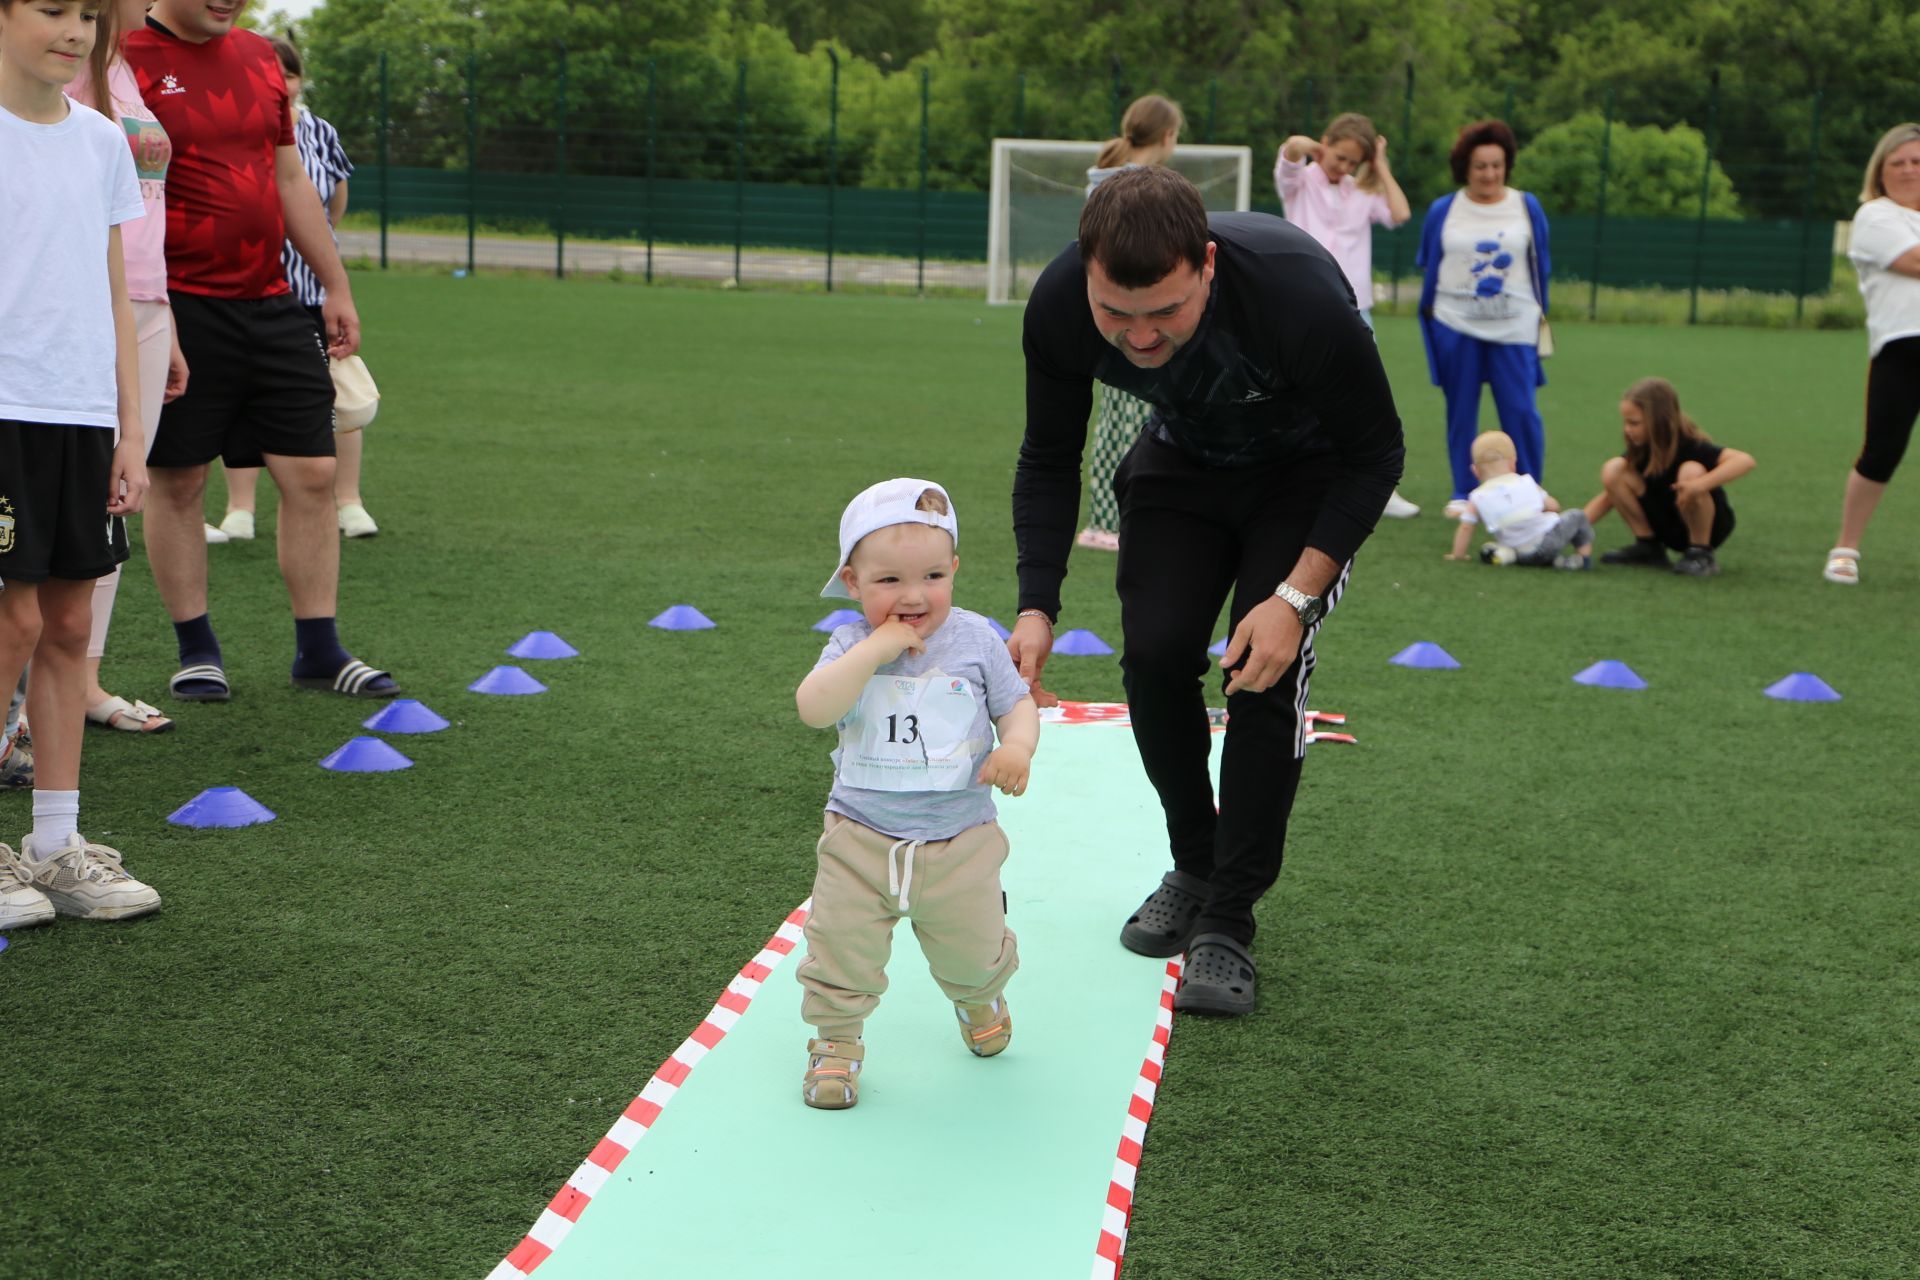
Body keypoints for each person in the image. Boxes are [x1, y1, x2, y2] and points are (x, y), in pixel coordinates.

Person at [1012, 167, 1404, 1016]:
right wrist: (1036, 605)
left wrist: (1294, 599)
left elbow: (1376, 456)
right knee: (1153, 657)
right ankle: (1194, 865)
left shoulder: (1295, 297)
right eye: (1117, 314)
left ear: (1210, 268)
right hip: (1182, 465)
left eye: (1167, 313)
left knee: (1257, 673)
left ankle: (1228, 918)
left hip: (1303, 478)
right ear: (1086, 274)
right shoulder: (1056, 307)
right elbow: (1048, 457)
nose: (1141, 339)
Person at [124, 0, 399, 702]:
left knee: (312, 470)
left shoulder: (258, 59)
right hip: (176, 303)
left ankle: (319, 650)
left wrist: (333, 284)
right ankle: (198, 650)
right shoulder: (119, 60)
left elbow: (289, 180)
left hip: (275, 298)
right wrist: (147, 312)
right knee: (180, 479)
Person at [793, 478, 1038, 1110]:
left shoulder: (978, 641)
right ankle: (836, 1044)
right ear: (852, 582)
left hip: (959, 841)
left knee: (972, 947)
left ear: (954, 567)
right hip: (859, 837)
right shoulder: (850, 645)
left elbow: (1017, 707)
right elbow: (814, 708)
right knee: (840, 949)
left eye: (932, 575)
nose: (913, 596)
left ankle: (978, 995)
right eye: (888, 582)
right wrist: (874, 650)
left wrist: (1016, 748)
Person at [0, 0, 164, 929]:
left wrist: (126, 429)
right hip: (2, 409)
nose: (74, 29)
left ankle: (55, 846)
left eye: (88, 14)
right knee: (11, 616)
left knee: (66, 619)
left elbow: (111, 284)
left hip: (78, 411)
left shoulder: (102, 140)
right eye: (51, 9)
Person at [65, 0, 186, 735]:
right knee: (48, 503)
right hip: (78, 305)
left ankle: (83, 680)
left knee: (116, 498)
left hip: (142, 304)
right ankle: (21, 690)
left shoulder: (122, 65)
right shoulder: (50, 54)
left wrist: (163, 318)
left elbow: (147, 207)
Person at [220, 35, 377, 542]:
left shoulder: (320, 133)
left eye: (288, 73)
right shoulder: (233, 126)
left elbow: (332, 206)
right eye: (270, 72)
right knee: (238, 399)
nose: (280, 83)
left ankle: (348, 501)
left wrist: (327, 274)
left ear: (299, 79)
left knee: (337, 397)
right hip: (245, 290)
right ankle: (239, 508)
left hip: (308, 294)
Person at [1276, 111, 1419, 519]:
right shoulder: (1300, 181)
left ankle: (1377, 481)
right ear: (1325, 144)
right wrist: (1315, 149)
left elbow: (1400, 213)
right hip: (1301, 301)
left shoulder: (1362, 191)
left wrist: (1380, 166)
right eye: (1339, 157)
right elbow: (1291, 151)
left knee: (1364, 395)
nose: (1343, 167)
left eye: (1353, 162)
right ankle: (1295, 476)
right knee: (1296, 390)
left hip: (1355, 306)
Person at [1416, 120, 1552, 516]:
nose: (1489, 173)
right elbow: (1429, 263)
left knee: (1521, 411)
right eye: (1480, 166)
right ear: (1465, 168)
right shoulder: (1444, 209)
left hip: (1515, 326)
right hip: (1455, 324)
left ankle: (1530, 491)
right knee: (1460, 411)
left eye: (1497, 165)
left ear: (1507, 165)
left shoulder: (1527, 206)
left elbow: (1541, 263)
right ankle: (1465, 493)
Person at [1076, 93, 1182, 553]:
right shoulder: (1135, 186)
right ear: (1168, 136)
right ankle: (1105, 522)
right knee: (1124, 423)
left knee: (1127, 420)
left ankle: (1123, 515)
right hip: (1129, 322)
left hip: (1112, 316)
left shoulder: (1106, 180)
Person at [1824, 123, 1920, 585]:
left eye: (1916, 162)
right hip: (1902, 348)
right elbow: (1914, 262)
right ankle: (1846, 547)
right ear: (1879, 174)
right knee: (1881, 451)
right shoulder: (1876, 216)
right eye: (1896, 163)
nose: (1907, 170)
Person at [1589, 377, 1754, 576]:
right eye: (1625, 422)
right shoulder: (1642, 450)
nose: (1627, 429)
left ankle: (1701, 553)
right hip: (1666, 524)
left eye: (1634, 423)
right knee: (1614, 468)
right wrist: (1572, 525)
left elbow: (1745, 460)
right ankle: (1648, 548)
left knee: (1691, 471)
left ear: (1658, 421)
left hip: (1711, 527)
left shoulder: (1690, 445)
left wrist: (1699, 486)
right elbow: (1611, 495)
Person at [1444, 431, 1591, 568]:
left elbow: (1466, 527)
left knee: (1508, 542)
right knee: (1578, 516)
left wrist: (1458, 555)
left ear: (1475, 470)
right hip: (1546, 543)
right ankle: (1583, 559)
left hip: (1518, 551)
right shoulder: (1525, 482)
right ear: (1512, 464)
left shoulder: (1477, 497)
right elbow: (1553, 506)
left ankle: (1513, 556)